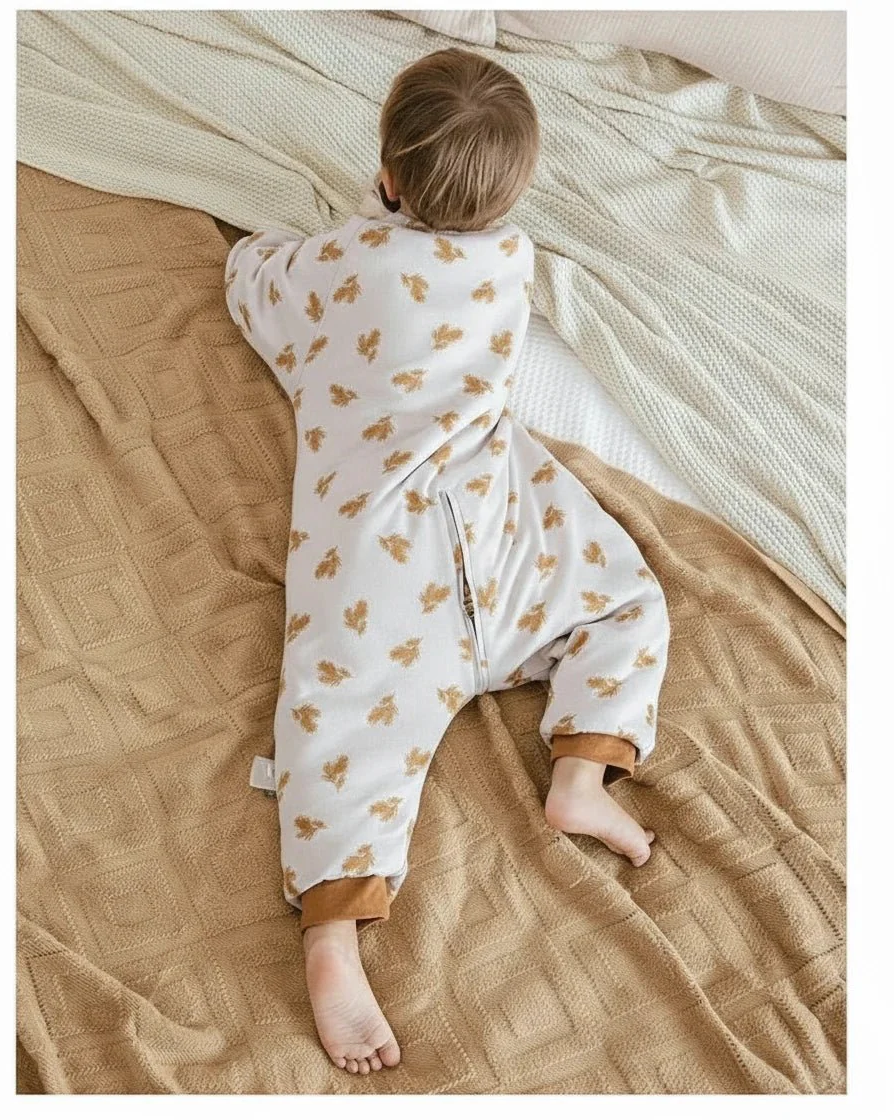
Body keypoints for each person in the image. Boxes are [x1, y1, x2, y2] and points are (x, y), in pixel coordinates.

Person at [225, 46, 669, 1075]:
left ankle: (333, 939)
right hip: (500, 525)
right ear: (513, 195)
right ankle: (580, 771)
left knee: (337, 724)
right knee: (624, 599)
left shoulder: (338, 266)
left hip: (381, 559)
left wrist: (264, 253)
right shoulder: (510, 261)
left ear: (387, 178)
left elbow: (255, 287)